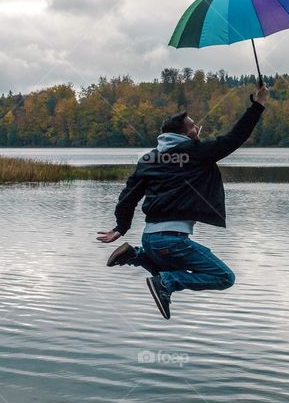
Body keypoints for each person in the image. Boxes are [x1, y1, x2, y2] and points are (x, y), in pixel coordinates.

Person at [96, 84, 268, 319]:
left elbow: (129, 196)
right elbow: (234, 139)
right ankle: (167, 281)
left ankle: (136, 255)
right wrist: (258, 105)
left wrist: (120, 227)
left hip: (151, 238)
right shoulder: (195, 153)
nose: (197, 128)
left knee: (168, 265)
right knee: (224, 277)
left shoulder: (150, 158)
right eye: (193, 126)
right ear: (186, 134)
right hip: (171, 242)